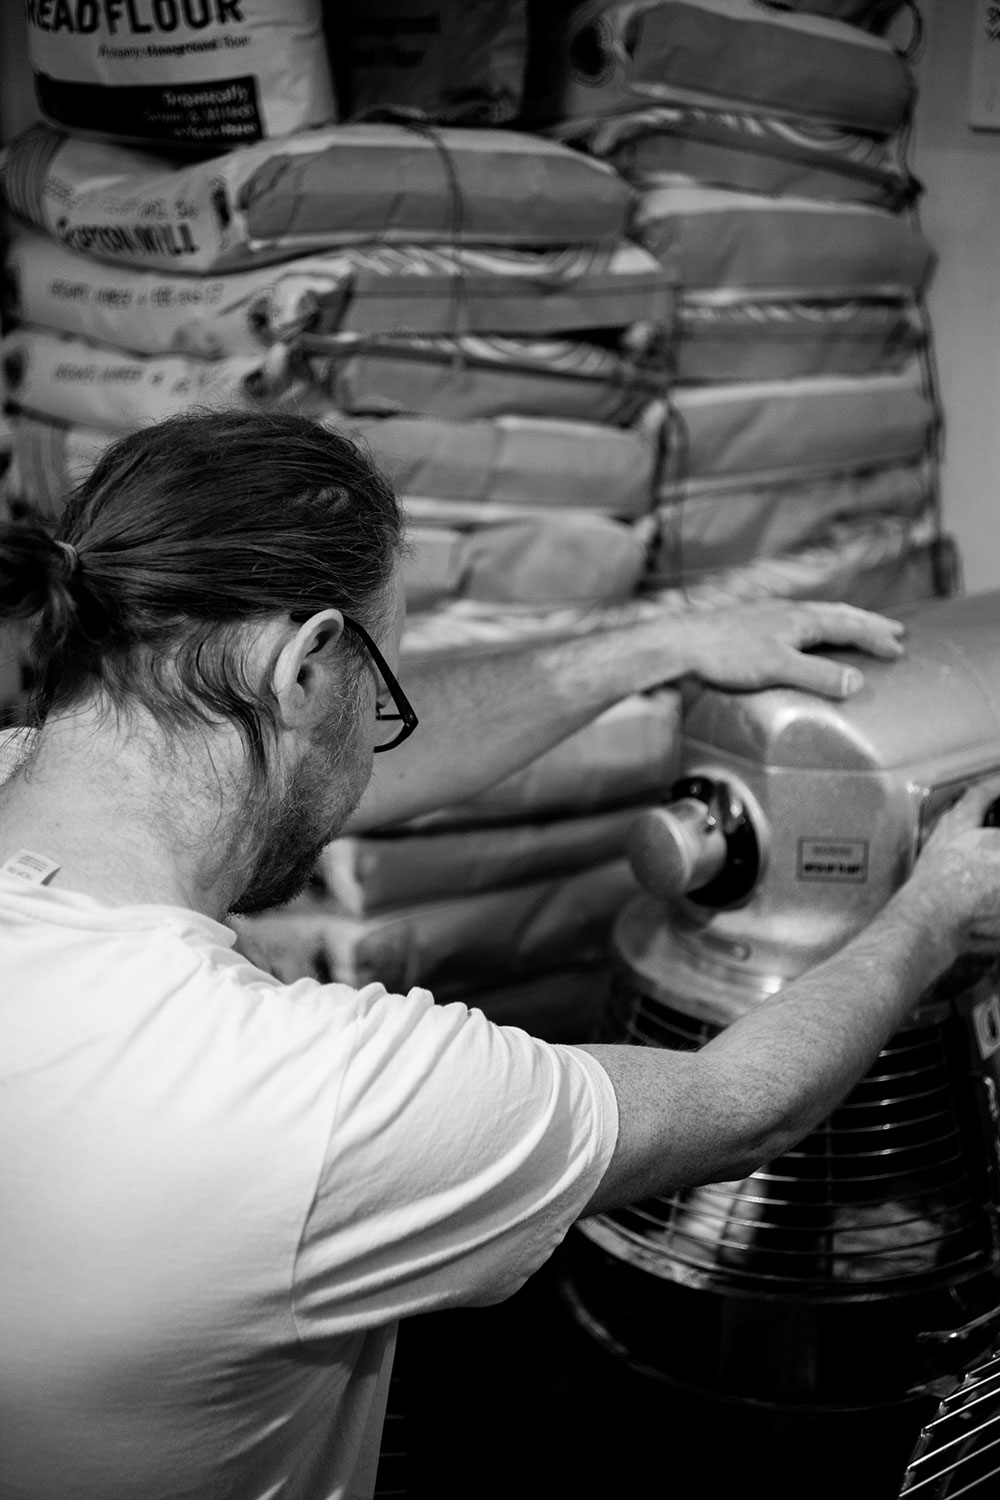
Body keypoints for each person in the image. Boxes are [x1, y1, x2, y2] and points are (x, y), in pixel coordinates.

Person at [2, 408, 999, 1500]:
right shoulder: (304, 1092)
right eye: (382, 687)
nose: (381, 736)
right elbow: (742, 1110)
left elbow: (344, 756)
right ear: (306, 673)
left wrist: (663, 645)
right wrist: (934, 912)